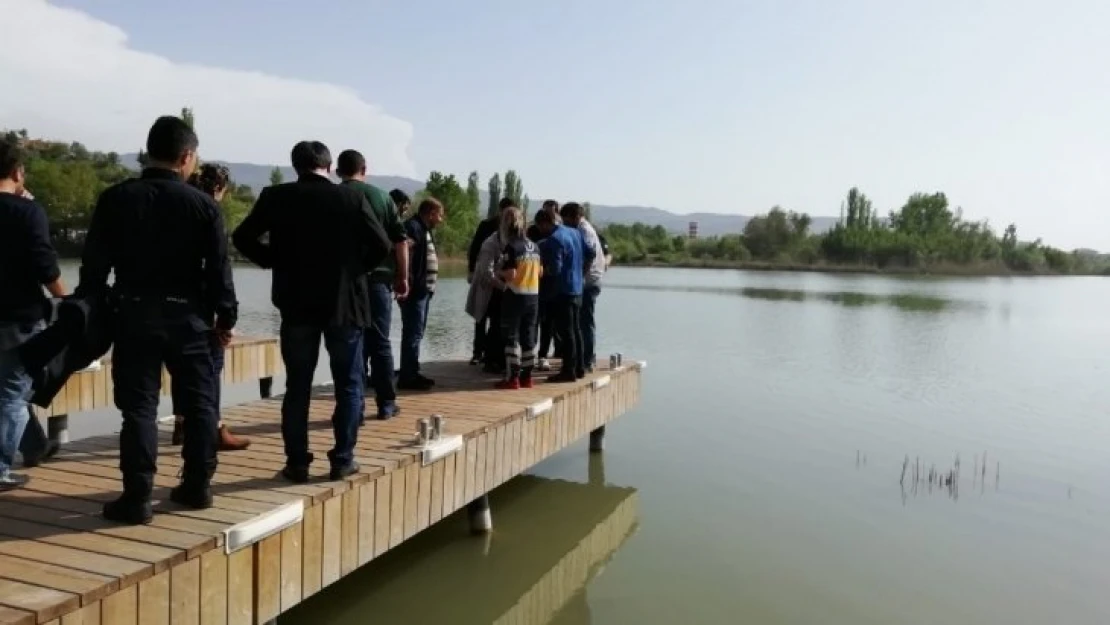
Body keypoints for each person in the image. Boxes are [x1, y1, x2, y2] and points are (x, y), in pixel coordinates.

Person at [78, 116, 237, 523]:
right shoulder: (203, 205)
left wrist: (92, 307)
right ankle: (198, 486)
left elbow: (94, 267)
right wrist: (226, 317)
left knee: (138, 409)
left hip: (133, 313)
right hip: (190, 317)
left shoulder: (115, 198)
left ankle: (137, 497)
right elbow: (220, 269)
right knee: (201, 405)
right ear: (185, 157)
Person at [233, 141, 391, 483]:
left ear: (295, 166)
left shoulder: (276, 197)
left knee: (297, 385)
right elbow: (382, 244)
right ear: (330, 167)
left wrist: (272, 260)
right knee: (349, 384)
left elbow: (242, 237)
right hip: (344, 305)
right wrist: (355, 270)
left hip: (296, 303)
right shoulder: (352, 197)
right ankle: (342, 459)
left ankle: (298, 463)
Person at [153, 163, 248, 452]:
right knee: (210, 366)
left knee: (181, 369)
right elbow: (219, 268)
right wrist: (227, 317)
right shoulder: (208, 210)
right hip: (200, 305)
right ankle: (213, 427)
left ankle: (182, 422)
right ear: (219, 188)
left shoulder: (173, 206)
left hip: (161, 302)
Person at [0, 139, 66, 490]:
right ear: (17, 171)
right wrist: (67, 300)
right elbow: (45, 265)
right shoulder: (28, 212)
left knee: (9, 389)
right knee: (13, 394)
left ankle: (35, 446)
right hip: (19, 318)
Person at [336, 150, 409, 420]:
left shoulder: (335, 196)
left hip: (344, 283)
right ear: (364, 169)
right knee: (380, 343)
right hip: (379, 280)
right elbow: (400, 241)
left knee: (351, 344)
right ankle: (386, 404)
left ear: (337, 170)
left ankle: (356, 406)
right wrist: (402, 276)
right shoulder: (382, 197)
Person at [534, 209, 593, 382]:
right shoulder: (574, 232)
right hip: (577, 288)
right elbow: (591, 253)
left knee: (566, 332)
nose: (539, 230)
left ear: (544, 223)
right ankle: (579, 367)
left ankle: (568, 371)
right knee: (576, 329)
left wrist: (540, 272)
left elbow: (555, 269)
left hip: (561, 291)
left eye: (539, 226)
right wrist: (580, 273)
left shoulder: (554, 239)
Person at [398, 198, 444, 390]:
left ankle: (412, 371)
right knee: (413, 333)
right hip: (415, 291)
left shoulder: (424, 229)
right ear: (431, 213)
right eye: (439, 215)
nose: (441, 220)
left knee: (416, 332)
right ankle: (407, 376)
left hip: (423, 291)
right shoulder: (413, 227)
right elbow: (405, 253)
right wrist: (407, 281)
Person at [495, 207, 543, 389]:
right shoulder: (535, 247)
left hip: (515, 295)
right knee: (528, 336)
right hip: (533, 296)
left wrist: (498, 271)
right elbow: (540, 272)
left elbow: (511, 274)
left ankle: (512, 378)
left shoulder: (512, 246)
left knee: (511, 337)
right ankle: (527, 377)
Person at [561, 202, 607, 372]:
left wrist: (578, 278)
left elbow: (590, 254)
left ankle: (587, 359)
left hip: (589, 282)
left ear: (574, 217)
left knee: (585, 322)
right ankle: (583, 359)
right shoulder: (580, 227)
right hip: (588, 281)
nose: (564, 224)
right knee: (581, 322)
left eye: (565, 220)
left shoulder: (584, 229)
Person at [467, 198, 513, 366]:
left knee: (496, 319)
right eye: (506, 212)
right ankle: (477, 352)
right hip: (485, 278)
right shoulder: (486, 226)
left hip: (500, 282)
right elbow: (474, 249)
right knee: (481, 317)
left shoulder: (513, 230)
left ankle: (491, 353)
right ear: (500, 210)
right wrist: (471, 270)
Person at [528, 200, 562, 371]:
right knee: (535, 322)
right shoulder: (532, 233)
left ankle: (542, 355)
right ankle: (530, 354)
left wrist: (544, 271)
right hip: (536, 286)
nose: (540, 230)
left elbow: (556, 266)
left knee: (547, 324)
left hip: (549, 286)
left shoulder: (557, 236)